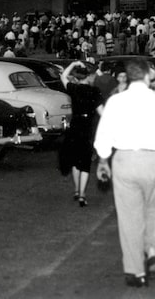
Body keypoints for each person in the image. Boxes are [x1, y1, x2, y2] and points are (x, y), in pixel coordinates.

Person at [94, 58, 155, 287]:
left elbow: (103, 136)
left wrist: (103, 160)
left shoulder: (116, 101)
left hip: (126, 160)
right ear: (146, 76)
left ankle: (135, 271)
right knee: (153, 211)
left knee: (130, 218)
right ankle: (152, 249)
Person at [58, 61, 104, 207]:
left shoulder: (73, 89)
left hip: (75, 125)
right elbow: (102, 113)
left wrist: (72, 64)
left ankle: (77, 190)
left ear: (76, 78)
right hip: (87, 127)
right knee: (84, 161)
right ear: (88, 77)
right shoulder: (95, 91)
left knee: (74, 160)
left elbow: (64, 76)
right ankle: (82, 195)